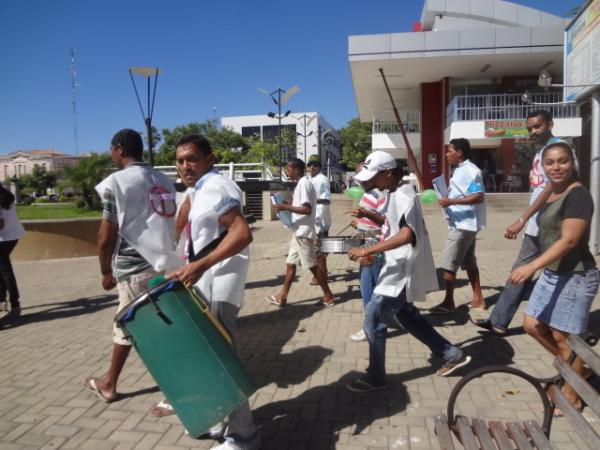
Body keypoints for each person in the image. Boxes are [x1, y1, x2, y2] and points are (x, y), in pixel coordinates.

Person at [346, 151, 471, 392]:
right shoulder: (393, 193)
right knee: (407, 316)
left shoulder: (403, 195)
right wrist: (376, 241)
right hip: (395, 265)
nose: (369, 182)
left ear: (389, 173)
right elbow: (392, 225)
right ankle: (451, 354)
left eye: (374, 177)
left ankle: (376, 376)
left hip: (403, 269)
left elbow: (407, 234)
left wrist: (367, 250)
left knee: (373, 316)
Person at [170, 134, 260, 450]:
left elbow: (242, 232)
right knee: (211, 354)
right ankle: (226, 420)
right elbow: (186, 223)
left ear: (209, 159)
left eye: (192, 159)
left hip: (222, 280)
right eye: (180, 161)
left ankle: (244, 434)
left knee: (222, 355)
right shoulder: (199, 189)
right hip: (207, 279)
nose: (185, 166)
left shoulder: (218, 187)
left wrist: (201, 265)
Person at [84, 129, 179, 402]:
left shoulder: (118, 182)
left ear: (120, 149)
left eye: (111, 149)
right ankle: (111, 381)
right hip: (161, 264)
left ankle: (110, 384)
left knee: (129, 325)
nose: (111, 154)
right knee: (148, 322)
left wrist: (104, 271)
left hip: (133, 268)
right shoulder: (163, 179)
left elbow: (105, 236)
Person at [509, 141, 598, 414]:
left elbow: (570, 240)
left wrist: (531, 266)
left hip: (576, 276)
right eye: (550, 163)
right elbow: (543, 194)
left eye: (563, 161)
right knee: (533, 324)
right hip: (553, 273)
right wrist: (522, 219)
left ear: (572, 163)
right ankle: (577, 371)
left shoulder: (578, 196)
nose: (556, 167)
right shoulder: (555, 187)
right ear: (543, 166)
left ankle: (572, 395)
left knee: (565, 338)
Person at [472, 110, 566, 334]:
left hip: (555, 226)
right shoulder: (539, 152)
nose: (533, 131)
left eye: (537, 126)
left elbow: (554, 186)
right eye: (530, 128)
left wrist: (522, 218)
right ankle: (498, 321)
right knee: (518, 273)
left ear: (550, 125)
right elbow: (538, 188)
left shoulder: (561, 150)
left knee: (557, 276)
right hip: (536, 225)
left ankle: (562, 327)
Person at [269, 158, 335, 307]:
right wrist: (289, 205)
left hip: (303, 232)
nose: (287, 171)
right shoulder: (302, 183)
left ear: (297, 170)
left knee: (312, 265)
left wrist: (286, 208)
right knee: (291, 264)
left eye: (288, 169)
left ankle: (328, 295)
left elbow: (307, 209)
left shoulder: (304, 184)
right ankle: (282, 296)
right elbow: (303, 206)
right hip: (298, 231)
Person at [430, 138, 486, 313]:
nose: (447, 155)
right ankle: (478, 299)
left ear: (459, 152)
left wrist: (451, 201)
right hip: (464, 223)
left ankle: (448, 302)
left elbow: (478, 195)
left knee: (448, 263)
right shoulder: (461, 170)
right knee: (469, 262)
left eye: (449, 151)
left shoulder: (469, 170)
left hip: (464, 225)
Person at [349, 162, 388, 342]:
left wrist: (365, 214)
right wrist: (360, 222)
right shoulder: (369, 194)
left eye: (364, 178)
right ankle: (377, 322)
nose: (361, 182)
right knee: (370, 288)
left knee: (368, 289)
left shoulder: (379, 194)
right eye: (359, 179)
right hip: (367, 241)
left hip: (372, 245)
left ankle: (369, 328)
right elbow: (372, 219)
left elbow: (385, 222)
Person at [0, 182, 25, 317]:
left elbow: (1, 224)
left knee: (5, 271)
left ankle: (14, 303)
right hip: (13, 236)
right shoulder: (7, 195)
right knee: (3, 269)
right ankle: (3, 300)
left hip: (3, 238)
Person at [307, 156, 332, 285]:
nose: (312, 167)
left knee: (319, 249)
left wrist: (309, 201)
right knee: (318, 248)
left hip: (320, 219)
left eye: (315, 164)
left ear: (319, 167)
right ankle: (323, 273)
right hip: (314, 218)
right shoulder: (311, 179)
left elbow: (327, 199)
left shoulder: (322, 179)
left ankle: (322, 276)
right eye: (310, 164)